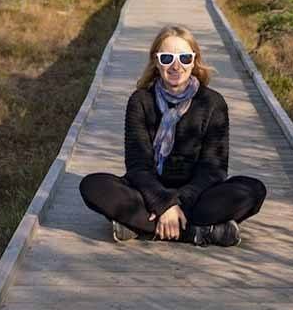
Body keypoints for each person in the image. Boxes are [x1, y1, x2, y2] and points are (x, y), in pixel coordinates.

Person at [78, 24, 268, 247]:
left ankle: (143, 228)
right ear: (156, 62)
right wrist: (163, 204)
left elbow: (213, 170)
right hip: (148, 193)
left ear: (194, 60)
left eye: (184, 58)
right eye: (167, 58)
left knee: (252, 190)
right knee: (93, 186)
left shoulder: (213, 103)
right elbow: (138, 167)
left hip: (198, 195)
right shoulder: (140, 101)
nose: (176, 66)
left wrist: (177, 204)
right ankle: (199, 232)